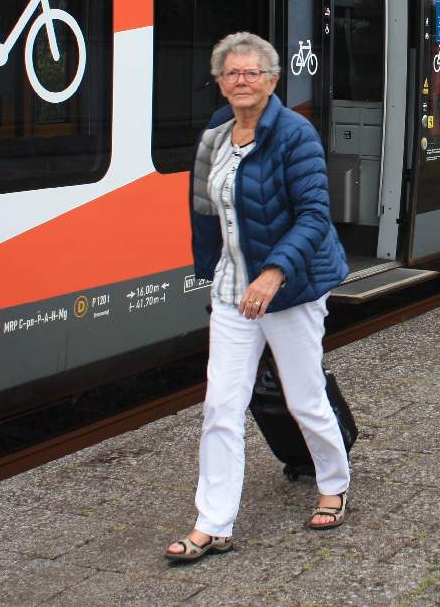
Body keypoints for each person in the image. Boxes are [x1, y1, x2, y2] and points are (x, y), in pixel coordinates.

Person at [166, 32, 351, 561]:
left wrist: (272, 274)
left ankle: (334, 482)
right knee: (220, 405)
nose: (241, 80)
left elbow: (315, 215)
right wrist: (215, 269)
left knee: (303, 396)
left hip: (287, 289)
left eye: (252, 72)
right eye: (231, 73)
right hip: (232, 292)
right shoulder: (215, 134)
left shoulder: (296, 135)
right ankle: (213, 522)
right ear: (221, 83)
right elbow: (205, 207)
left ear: (272, 81)